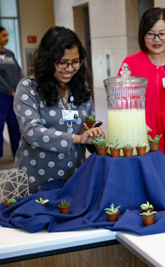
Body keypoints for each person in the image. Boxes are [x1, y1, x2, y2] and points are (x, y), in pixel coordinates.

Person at [13, 26, 105, 194]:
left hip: (73, 180)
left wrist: (94, 136)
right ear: (47, 60)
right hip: (34, 182)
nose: (69, 69)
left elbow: (88, 128)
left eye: (75, 62)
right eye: (62, 62)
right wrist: (78, 138)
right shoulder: (28, 88)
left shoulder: (81, 89)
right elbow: (32, 131)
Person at [119, 7, 165, 175]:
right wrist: (135, 124)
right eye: (150, 34)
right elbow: (120, 101)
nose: (156, 39)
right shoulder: (130, 63)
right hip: (140, 137)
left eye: (162, 34)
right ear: (142, 34)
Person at [0, 26, 22, 159]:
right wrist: (9, 91)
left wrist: (19, 89)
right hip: (2, 96)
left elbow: (18, 71)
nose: (7, 38)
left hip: (14, 96)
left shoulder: (10, 53)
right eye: (4, 35)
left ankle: (17, 153)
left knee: (15, 126)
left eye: (7, 35)